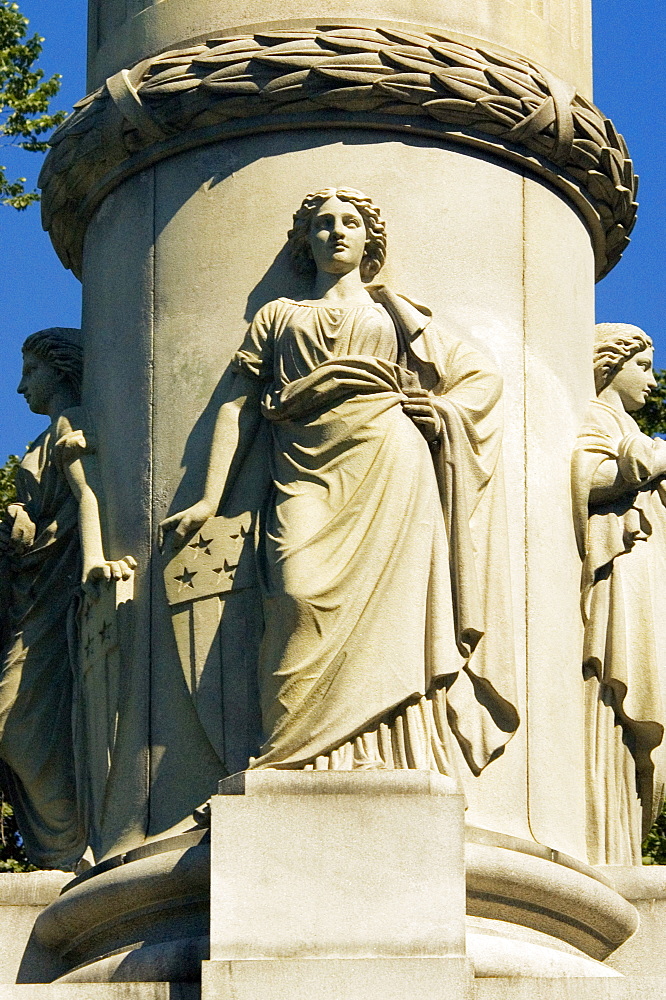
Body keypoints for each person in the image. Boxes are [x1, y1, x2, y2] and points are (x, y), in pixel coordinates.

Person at [160, 188, 518, 778]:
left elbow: (480, 377)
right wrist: (208, 498)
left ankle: (375, 752)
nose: (336, 233)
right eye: (323, 225)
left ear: (369, 239)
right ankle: (292, 750)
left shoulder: (395, 312)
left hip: (389, 459)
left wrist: (440, 411)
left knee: (392, 614)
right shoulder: (278, 317)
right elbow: (237, 407)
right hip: (301, 466)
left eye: (350, 223)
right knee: (295, 594)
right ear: (306, 241)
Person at [0, 327, 134, 870]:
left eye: (31, 371)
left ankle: (70, 844)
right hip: (33, 591)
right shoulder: (41, 441)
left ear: (60, 368)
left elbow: (87, 492)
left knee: (11, 719)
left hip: (59, 591)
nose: (20, 387)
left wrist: (95, 561)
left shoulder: (68, 423)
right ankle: (63, 849)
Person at [572, 323, 666, 865]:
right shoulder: (597, 418)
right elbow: (589, 475)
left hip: (643, 580)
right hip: (618, 583)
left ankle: (621, 839)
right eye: (642, 366)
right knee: (612, 699)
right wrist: (648, 461)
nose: (650, 381)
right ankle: (606, 839)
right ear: (610, 364)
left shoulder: (626, 424)